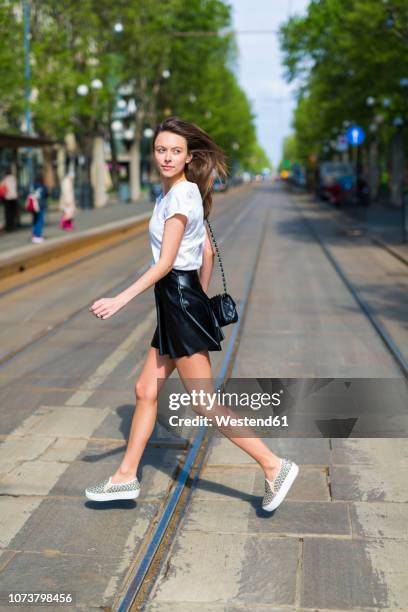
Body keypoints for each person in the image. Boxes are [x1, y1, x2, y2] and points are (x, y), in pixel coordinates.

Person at [85, 116, 299, 513]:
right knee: (145, 391)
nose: (167, 157)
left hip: (177, 303)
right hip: (178, 304)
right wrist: (196, 301)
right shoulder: (174, 194)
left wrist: (122, 298)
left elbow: (166, 263)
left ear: (188, 157)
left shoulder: (181, 196)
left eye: (175, 151)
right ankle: (124, 476)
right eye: (161, 150)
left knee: (203, 401)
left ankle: (274, 465)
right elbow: (207, 253)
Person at [31, 171, 48, 243]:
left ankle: (34, 235)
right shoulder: (43, 186)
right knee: (40, 220)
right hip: (41, 205)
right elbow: (46, 194)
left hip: (33, 205)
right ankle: (38, 235)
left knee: (35, 220)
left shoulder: (33, 185)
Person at [0, 166, 19, 232]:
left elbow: (2, 187)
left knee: (8, 213)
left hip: (7, 198)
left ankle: (9, 227)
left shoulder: (5, 179)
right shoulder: (14, 178)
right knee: (13, 213)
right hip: (14, 197)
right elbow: (16, 187)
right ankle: (13, 226)